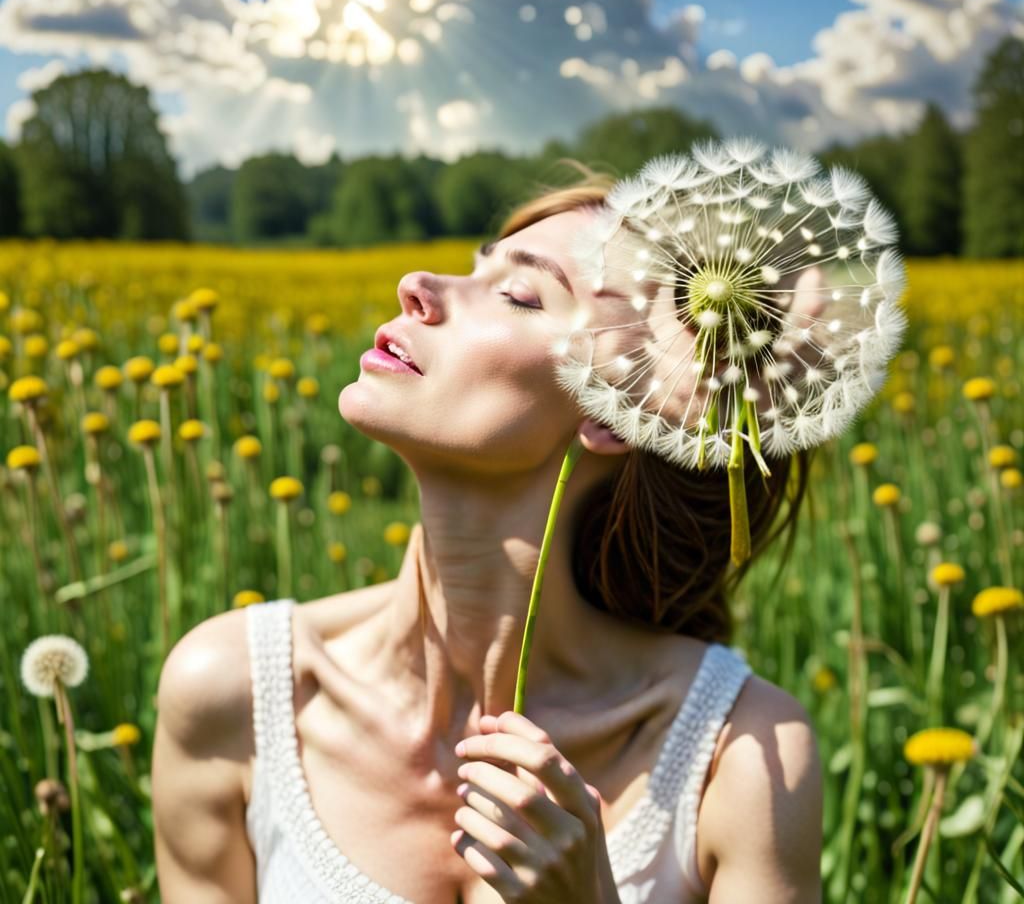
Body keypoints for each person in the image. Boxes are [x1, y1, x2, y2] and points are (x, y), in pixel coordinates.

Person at [152, 163, 824, 903]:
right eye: (480, 264)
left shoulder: (745, 757)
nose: (418, 284)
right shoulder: (232, 693)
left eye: (518, 294)